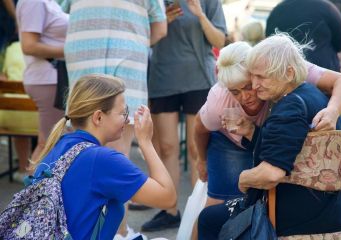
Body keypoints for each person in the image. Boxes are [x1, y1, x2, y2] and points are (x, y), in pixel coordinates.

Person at [198, 34, 341, 239]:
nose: (254, 86)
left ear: (289, 73)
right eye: (252, 77)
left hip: (303, 216)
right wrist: (251, 132)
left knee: (209, 218)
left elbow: (271, 174)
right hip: (338, 209)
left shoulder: (290, 107)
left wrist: (243, 178)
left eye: (261, 77)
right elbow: (288, 147)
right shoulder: (313, 94)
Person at [61, 0, 167, 237]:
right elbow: (160, 28)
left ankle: (73, 225)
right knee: (119, 155)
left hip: (83, 54)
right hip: (128, 54)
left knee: (76, 152)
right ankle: (117, 232)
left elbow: (63, 7)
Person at [30, 74, 176, 239]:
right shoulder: (102, 159)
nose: (128, 120)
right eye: (123, 112)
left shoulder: (59, 145)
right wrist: (145, 142)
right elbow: (168, 198)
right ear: (98, 117)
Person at [144, 0, 227, 231]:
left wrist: (200, 14)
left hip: (198, 79)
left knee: (195, 148)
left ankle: (199, 213)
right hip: (162, 77)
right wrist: (163, 21)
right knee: (168, 147)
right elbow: (144, 35)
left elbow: (219, 41)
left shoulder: (209, 2)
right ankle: (170, 210)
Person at [16, 0, 67, 168]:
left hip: (51, 78)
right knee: (49, 145)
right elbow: (29, 45)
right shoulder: (34, 2)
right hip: (48, 79)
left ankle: (34, 191)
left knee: (47, 143)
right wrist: (72, 50)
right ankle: (33, 193)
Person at [265, 0, 341, 72]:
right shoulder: (326, 7)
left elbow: (270, 42)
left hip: (284, 72)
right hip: (322, 73)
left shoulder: (277, 10)